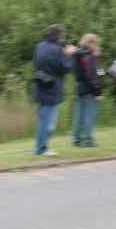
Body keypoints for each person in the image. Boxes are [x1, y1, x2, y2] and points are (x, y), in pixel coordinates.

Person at [33, 24, 77, 156]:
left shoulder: (40, 46)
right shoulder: (56, 50)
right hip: (52, 88)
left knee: (43, 119)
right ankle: (42, 149)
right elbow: (64, 68)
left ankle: (41, 147)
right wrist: (69, 55)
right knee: (48, 121)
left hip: (41, 84)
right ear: (58, 35)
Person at [73, 34, 104, 147]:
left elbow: (79, 73)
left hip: (80, 87)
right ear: (91, 43)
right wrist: (97, 92)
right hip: (90, 89)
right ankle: (88, 141)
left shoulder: (79, 54)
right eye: (96, 43)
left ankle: (77, 140)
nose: (98, 46)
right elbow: (92, 76)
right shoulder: (89, 56)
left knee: (79, 115)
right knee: (89, 115)